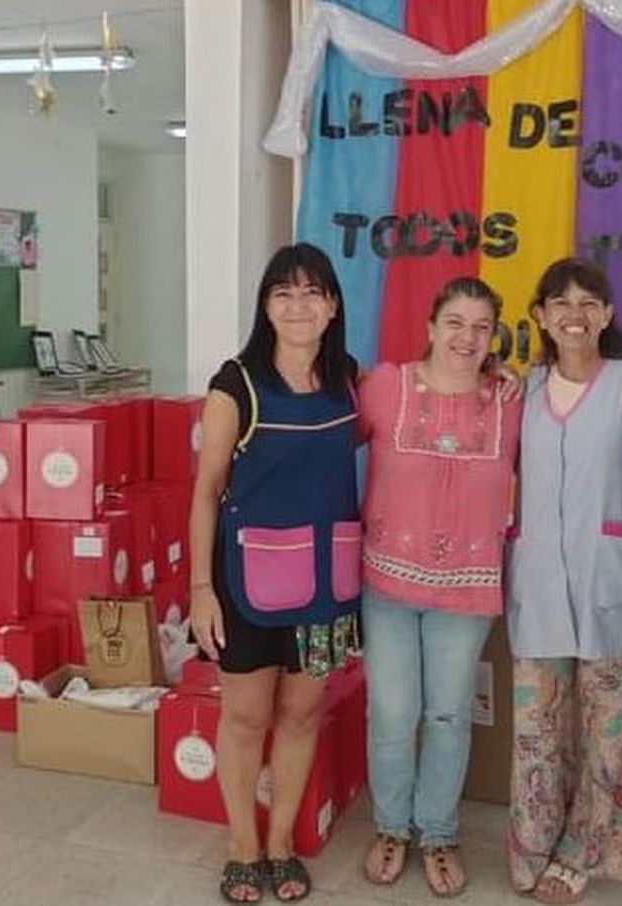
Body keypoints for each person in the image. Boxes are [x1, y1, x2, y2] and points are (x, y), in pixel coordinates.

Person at [189, 243, 362, 904]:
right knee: (245, 718)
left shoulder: (350, 378)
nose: (298, 306)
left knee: (301, 714)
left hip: (325, 585)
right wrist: (200, 590)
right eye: (283, 293)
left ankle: (282, 842)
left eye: (312, 292)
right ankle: (243, 846)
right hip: (245, 585)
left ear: (333, 305)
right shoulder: (234, 385)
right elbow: (206, 493)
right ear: (265, 306)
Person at [504, 257, 622, 904]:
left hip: (614, 580)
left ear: (607, 314)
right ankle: (531, 847)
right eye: (560, 303)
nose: (574, 314)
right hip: (539, 583)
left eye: (588, 302)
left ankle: (581, 852)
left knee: (608, 732)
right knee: (536, 729)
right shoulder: (523, 389)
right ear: (540, 316)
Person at [357, 276, 522, 898]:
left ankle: (438, 833)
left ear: (494, 336)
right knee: (392, 714)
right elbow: (325, 442)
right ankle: (391, 827)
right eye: (455, 322)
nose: (467, 337)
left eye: (481, 327)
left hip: (467, 590)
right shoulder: (385, 387)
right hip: (387, 584)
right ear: (430, 327)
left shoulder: (510, 401)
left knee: (449, 715)